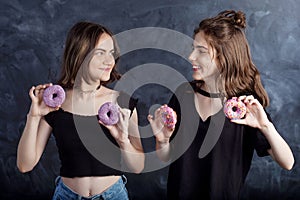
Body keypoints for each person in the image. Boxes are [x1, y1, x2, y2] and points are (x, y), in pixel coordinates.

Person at [148, 10, 294, 199]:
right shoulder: (183, 94)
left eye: (201, 51)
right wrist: (162, 140)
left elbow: (287, 163)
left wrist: (265, 126)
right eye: (193, 49)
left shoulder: (244, 106)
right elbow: (166, 157)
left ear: (224, 57)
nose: (191, 57)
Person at [17, 21, 145, 200]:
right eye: (101, 53)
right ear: (80, 54)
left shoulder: (122, 102)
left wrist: (123, 140)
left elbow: (138, 167)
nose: (110, 61)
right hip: (66, 196)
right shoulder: (54, 106)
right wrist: (34, 116)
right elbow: (25, 165)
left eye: (111, 53)